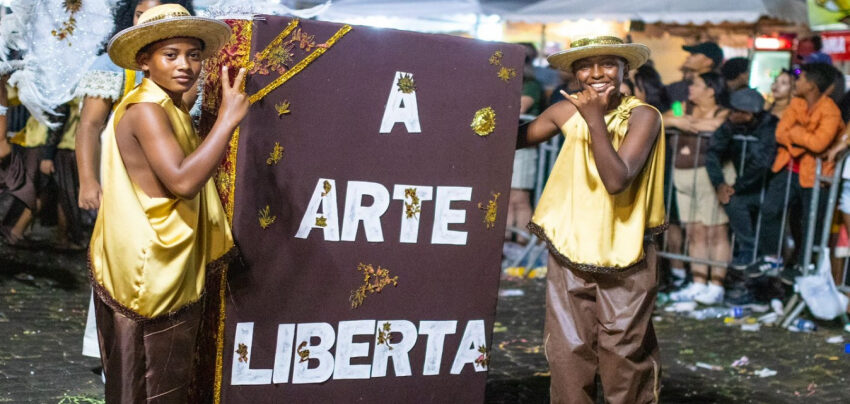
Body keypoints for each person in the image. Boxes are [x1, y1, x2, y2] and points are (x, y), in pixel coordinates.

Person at [88, 4, 245, 401]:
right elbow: (184, 181)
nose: (185, 65)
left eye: (193, 55)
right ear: (145, 61)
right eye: (170, 55)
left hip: (162, 257)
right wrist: (227, 119)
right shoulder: (147, 110)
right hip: (149, 267)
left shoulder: (168, 105)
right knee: (150, 380)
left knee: (159, 377)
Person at [518, 36, 665, 403]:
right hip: (570, 246)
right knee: (569, 349)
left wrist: (595, 120)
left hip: (626, 251)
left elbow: (617, 180)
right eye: (585, 65)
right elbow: (513, 138)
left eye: (608, 64)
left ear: (624, 70)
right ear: (574, 74)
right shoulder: (565, 111)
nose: (597, 73)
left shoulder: (643, 116)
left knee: (624, 351)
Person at [76, 0, 195, 212]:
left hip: (177, 166)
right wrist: (87, 180)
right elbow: (89, 125)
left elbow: (178, 113)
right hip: (123, 168)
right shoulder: (111, 65)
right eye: (139, 14)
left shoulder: (188, 66)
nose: (144, 21)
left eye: (155, 14)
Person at [760, 63, 845, 284]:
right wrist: (803, 139)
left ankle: (804, 264)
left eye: (800, 78)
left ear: (812, 85)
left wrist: (795, 135)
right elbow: (781, 133)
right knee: (770, 209)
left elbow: (818, 144)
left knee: (810, 222)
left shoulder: (831, 111)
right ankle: (772, 257)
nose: (796, 82)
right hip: (787, 168)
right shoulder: (796, 103)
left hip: (815, 176)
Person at [665, 72, 731, 304]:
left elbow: (718, 125)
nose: (690, 88)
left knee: (716, 231)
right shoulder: (682, 105)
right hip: (683, 173)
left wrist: (685, 123)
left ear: (711, 90)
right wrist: (677, 120)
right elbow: (664, 118)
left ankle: (716, 284)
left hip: (710, 175)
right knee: (694, 231)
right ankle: (698, 281)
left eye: (696, 84)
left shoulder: (723, 111)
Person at [704, 88, 778, 275]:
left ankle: (767, 265)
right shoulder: (731, 124)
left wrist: (737, 187)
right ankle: (748, 253)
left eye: (737, 111)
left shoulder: (769, 126)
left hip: (769, 187)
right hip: (743, 187)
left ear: (749, 114)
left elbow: (762, 163)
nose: (732, 114)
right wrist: (719, 184)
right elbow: (712, 151)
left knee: (769, 228)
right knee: (733, 203)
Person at [506, 43, 543, 243]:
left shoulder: (531, 85)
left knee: (519, 198)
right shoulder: (507, 83)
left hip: (525, 147)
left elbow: (518, 108)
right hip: (508, 146)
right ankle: (505, 244)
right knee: (506, 198)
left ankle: (521, 243)